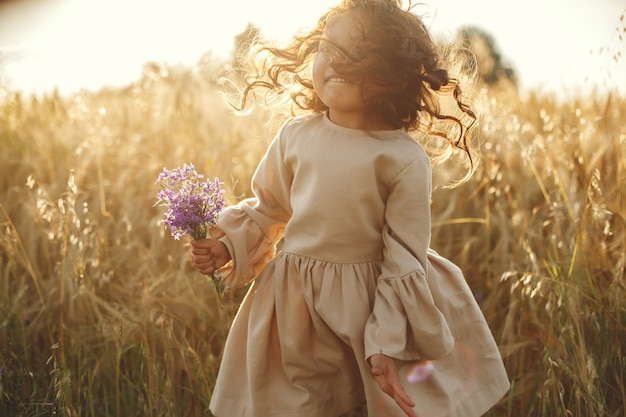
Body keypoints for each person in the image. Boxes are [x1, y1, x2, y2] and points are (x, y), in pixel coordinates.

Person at [190, 1, 510, 416]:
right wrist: (227, 246)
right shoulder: (296, 136)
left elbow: (403, 258)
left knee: (368, 404)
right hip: (295, 310)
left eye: (358, 53)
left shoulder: (403, 159)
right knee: (301, 404)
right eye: (328, 48)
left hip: (369, 309)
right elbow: (268, 209)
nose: (337, 61)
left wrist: (384, 341)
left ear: (392, 71)